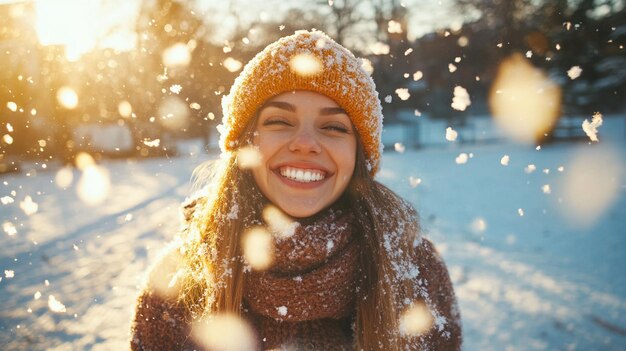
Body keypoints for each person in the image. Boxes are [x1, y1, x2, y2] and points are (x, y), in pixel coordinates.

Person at [130, 30, 462, 350]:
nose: (305, 144)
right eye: (279, 122)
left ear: (358, 155)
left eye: (333, 127)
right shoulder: (177, 282)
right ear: (246, 142)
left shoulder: (417, 271)